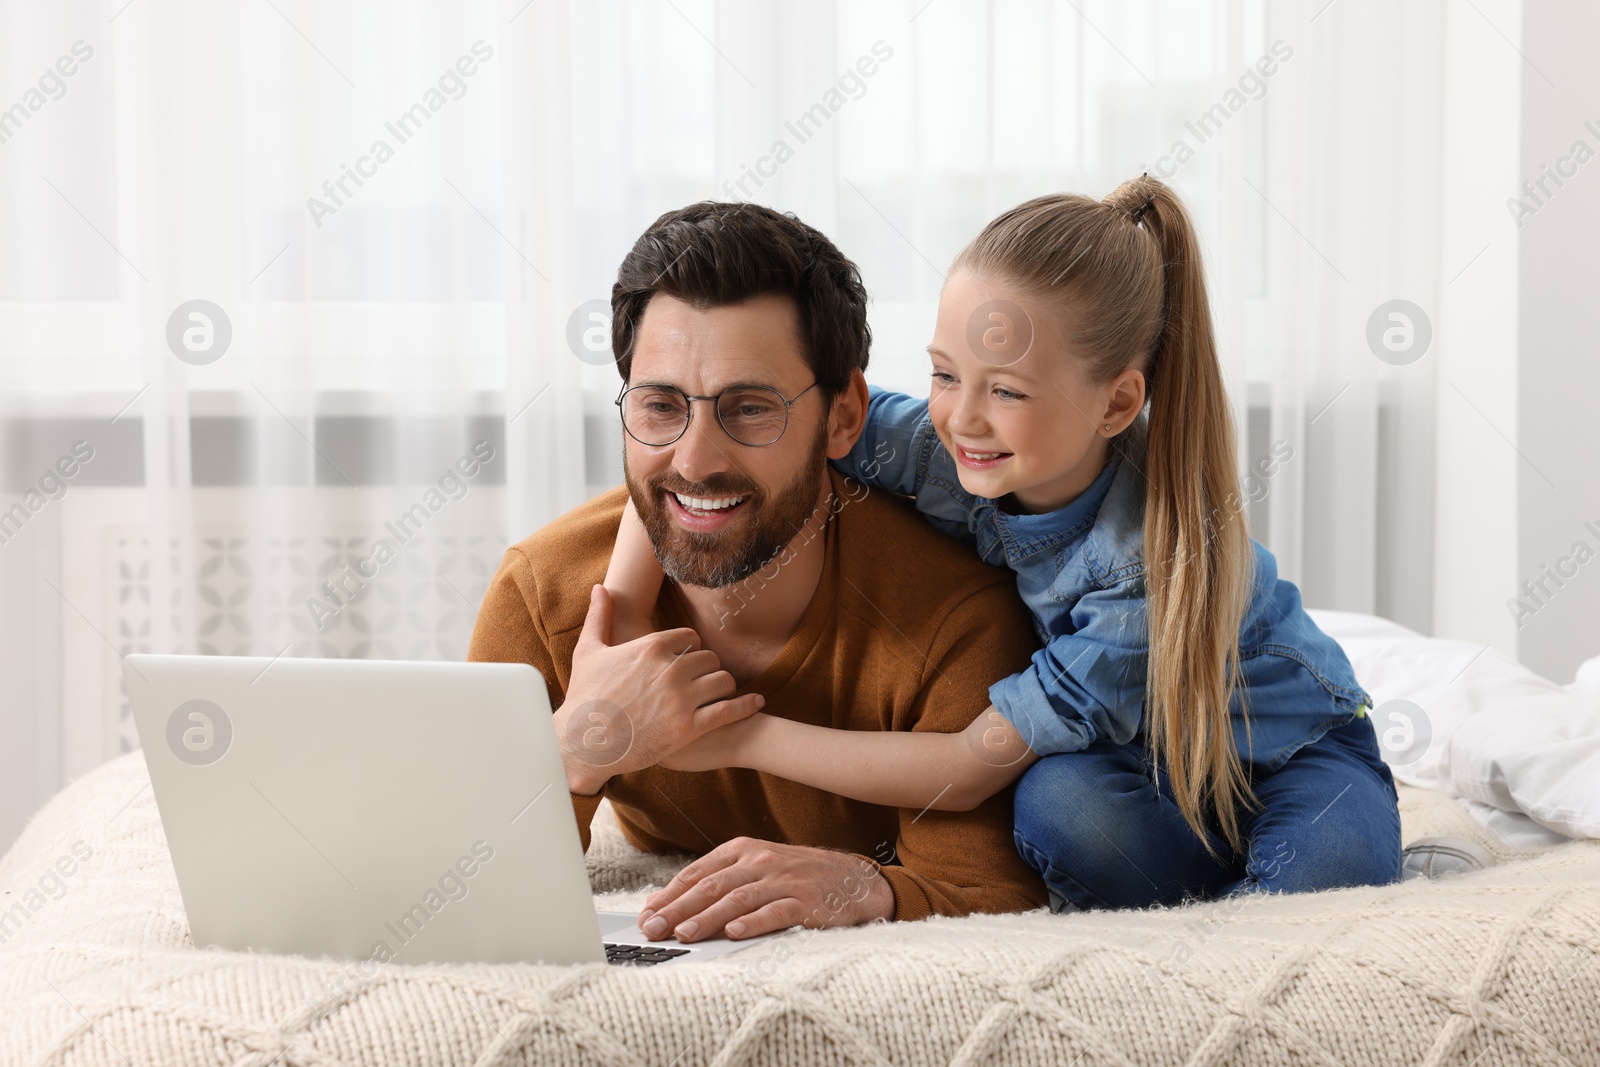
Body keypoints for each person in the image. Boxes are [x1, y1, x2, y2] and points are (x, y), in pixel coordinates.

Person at [604, 176, 1404, 914]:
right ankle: (1220, 869)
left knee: (1317, 885)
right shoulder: (937, 443)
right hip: (1148, 761)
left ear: (1117, 402)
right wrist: (626, 616)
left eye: (1009, 390)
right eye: (946, 374)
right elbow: (700, 461)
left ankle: (1282, 861)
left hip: (1289, 753)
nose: (963, 417)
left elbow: (964, 765)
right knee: (1060, 809)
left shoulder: (1137, 573)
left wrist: (741, 737)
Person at [468, 200, 1047, 946]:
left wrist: (863, 884)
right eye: (659, 405)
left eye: (748, 409)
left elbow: (990, 886)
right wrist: (579, 745)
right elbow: (453, 873)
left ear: (844, 418)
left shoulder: (952, 613)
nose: (695, 459)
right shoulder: (542, 592)